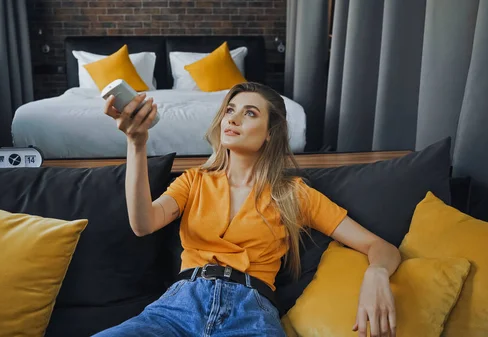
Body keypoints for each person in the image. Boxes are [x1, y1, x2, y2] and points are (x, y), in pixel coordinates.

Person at [93, 82, 401, 337]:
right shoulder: (194, 181)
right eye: (230, 110)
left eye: (249, 113)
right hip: (178, 308)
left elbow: (379, 246)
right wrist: (136, 142)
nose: (233, 119)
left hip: (250, 313)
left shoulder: (294, 194)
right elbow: (142, 223)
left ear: (269, 133)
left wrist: (377, 273)